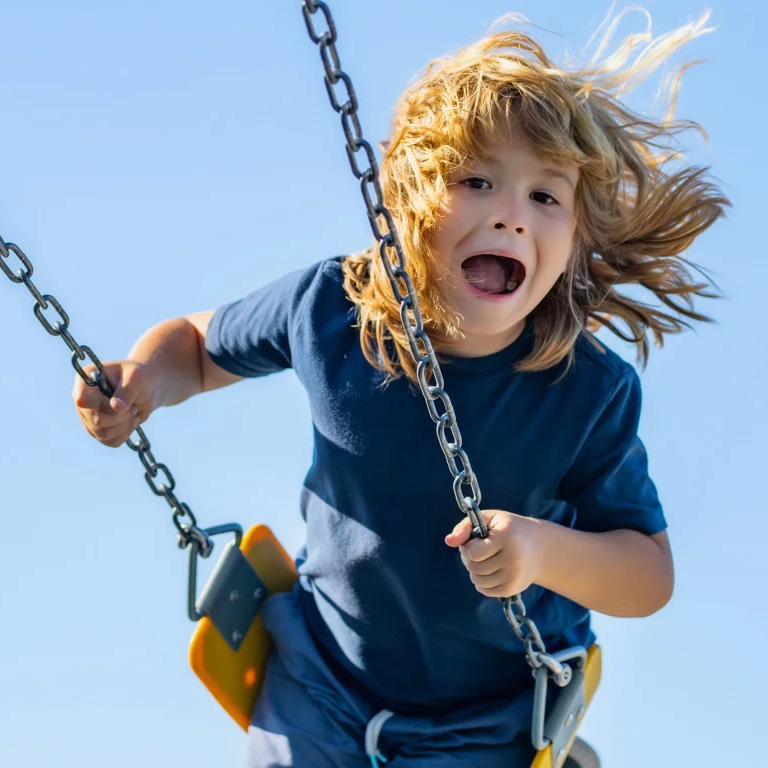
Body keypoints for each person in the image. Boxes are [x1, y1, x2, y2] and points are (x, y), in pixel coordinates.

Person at [72, 8, 728, 767]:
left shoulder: (584, 389)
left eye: (546, 198)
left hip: (492, 715)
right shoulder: (332, 309)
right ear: (411, 199)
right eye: (478, 181)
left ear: (575, 237)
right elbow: (196, 344)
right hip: (323, 677)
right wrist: (141, 377)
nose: (512, 218)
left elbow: (648, 573)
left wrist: (543, 552)